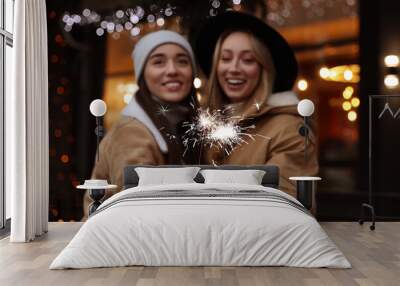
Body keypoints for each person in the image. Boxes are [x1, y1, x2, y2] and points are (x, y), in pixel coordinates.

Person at [195, 12, 319, 199]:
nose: (234, 68)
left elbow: (286, 203)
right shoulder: (206, 124)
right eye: (226, 58)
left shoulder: (290, 130)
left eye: (248, 60)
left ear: (264, 69)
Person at [83, 30, 199, 218]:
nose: (172, 70)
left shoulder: (184, 125)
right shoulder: (132, 132)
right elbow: (135, 210)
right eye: (158, 61)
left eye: (182, 61)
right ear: (142, 73)